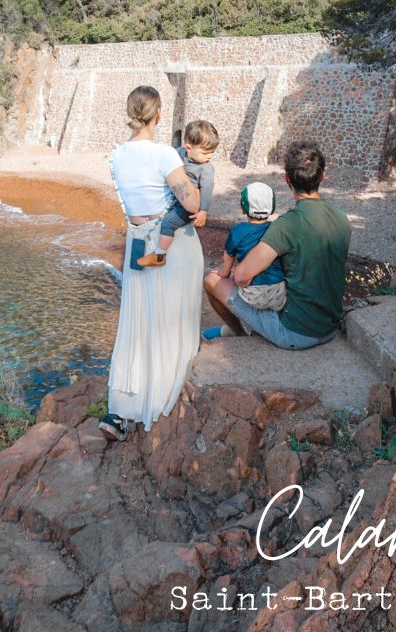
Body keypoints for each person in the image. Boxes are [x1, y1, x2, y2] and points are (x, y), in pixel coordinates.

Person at [97, 86, 206, 441]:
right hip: (169, 245)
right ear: (158, 114)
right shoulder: (164, 155)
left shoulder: (116, 155)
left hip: (136, 238)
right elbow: (191, 204)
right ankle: (164, 385)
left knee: (137, 319)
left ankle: (124, 407)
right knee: (170, 315)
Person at [203, 139, 350, 350]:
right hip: (329, 327)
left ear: (287, 179)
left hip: (295, 332)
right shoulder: (342, 218)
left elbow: (242, 276)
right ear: (323, 177)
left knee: (211, 280)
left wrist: (236, 268)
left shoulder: (287, 224)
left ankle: (238, 334)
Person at [201, 181, 285, 342]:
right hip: (279, 294)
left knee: (215, 279)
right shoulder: (276, 229)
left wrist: (221, 273)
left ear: (243, 207)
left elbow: (226, 266)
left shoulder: (238, 231)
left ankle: (236, 331)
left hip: (254, 296)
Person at [138, 119, 219, 268]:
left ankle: (160, 255)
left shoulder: (206, 168)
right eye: (206, 152)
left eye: (212, 152)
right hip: (175, 198)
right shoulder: (179, 153)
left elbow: (207, 190)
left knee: (168, 223)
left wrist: (203, 211)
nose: (210, 157)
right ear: (188, 147)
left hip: (187, 208)